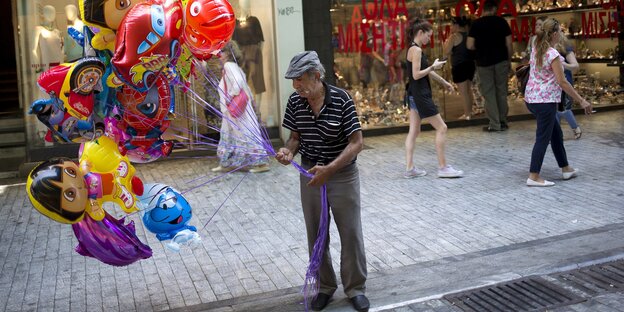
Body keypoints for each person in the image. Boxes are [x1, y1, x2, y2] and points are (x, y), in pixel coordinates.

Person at [275, 51, 369, 312]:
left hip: (342, 174)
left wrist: (330, 168)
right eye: (293, 81)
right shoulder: (296, 101)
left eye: (299, 79)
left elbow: (357, 142)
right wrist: (288, 152)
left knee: (350, 232)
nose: (295, 86)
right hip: (311, 176)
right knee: (316, 234)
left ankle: (355, 288)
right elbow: (295, 137)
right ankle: (325, 287)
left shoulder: (341, 99)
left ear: (316, 76)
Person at [524, 18, 592, 187]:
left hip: (532, 99)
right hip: (545, 101)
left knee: (556, 134)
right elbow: (562, 82)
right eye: (560, 31)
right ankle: (533, 176)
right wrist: (582, 101)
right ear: (554, 34)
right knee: (542, 138)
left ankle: (566, 168)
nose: (562, 34)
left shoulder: (537, 48)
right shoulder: (552, 54)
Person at [404, 18, 464, 179]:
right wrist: (433, 66)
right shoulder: (416, 50)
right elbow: (417, 74)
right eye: (428, 36)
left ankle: (410, 169)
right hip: (420, 95)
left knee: (414, 131)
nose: (429, 39)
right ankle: (443, 167)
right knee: (442, 128)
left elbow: (426, 71)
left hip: (413, 95)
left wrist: (444, 82)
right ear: (420, 33)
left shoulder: (413, 49)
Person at [212, 41, 270, 173]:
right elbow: (244, 86)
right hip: (238, 109)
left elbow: (237, 83)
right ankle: (227, 162)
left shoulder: (228, 66)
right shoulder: (234, 66)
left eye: (222, 51)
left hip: (235, 109)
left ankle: (259, 163)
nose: (219, 54)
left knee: (241, 133)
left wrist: (229, 98)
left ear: (228, 54)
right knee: (232, 133)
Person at [467, 0, 513, 132]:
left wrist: (480, 49)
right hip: (501, 61)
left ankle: (494, 124)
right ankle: (503, 121)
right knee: (501, 92)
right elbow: (509, 44)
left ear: (484, 9)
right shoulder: (502, 22)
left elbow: (469, 45)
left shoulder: (476, 24)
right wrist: (508, 60)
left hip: (483, 63)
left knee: (489, 93)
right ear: (494, 9)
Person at [443, 16, 475, 120]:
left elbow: (447, 51)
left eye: (452, 25)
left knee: (463, 92)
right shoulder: (468, 35)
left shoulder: (454, 36)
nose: (451, 27)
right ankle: (470, 112)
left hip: (459, 66)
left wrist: (446, 43)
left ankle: (467, 114)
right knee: (468, 90)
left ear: (456, 25)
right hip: (470, 65)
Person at [555, 33, 583, 139]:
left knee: (563, 108)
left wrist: (561, 64)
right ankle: (556, 134)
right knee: (555, 109)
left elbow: (575, 65)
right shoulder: (545, 46)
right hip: (552, 83)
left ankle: (575, 128)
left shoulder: (565, 48)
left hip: (564, 82)